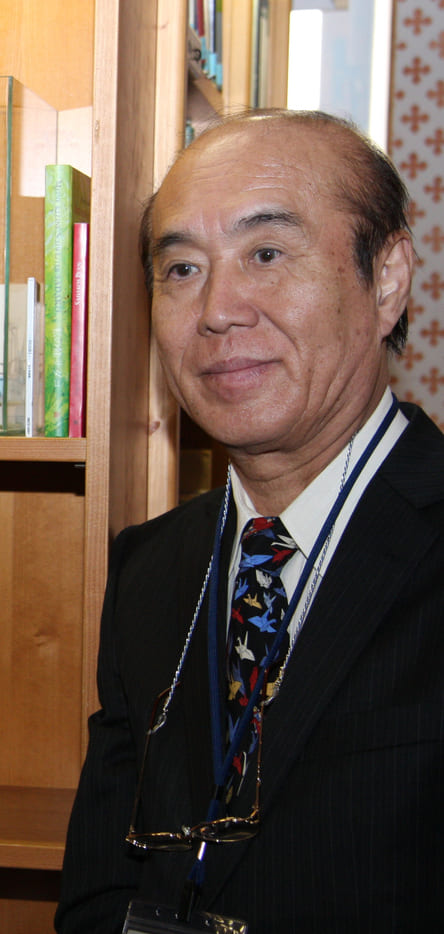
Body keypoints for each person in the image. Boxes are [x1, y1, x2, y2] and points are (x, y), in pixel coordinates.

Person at [56, 110, 444, 933]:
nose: (219, 310)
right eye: (183, 269)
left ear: (387, 278)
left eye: (266, 254)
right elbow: (98, 891)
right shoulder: (148, 569)